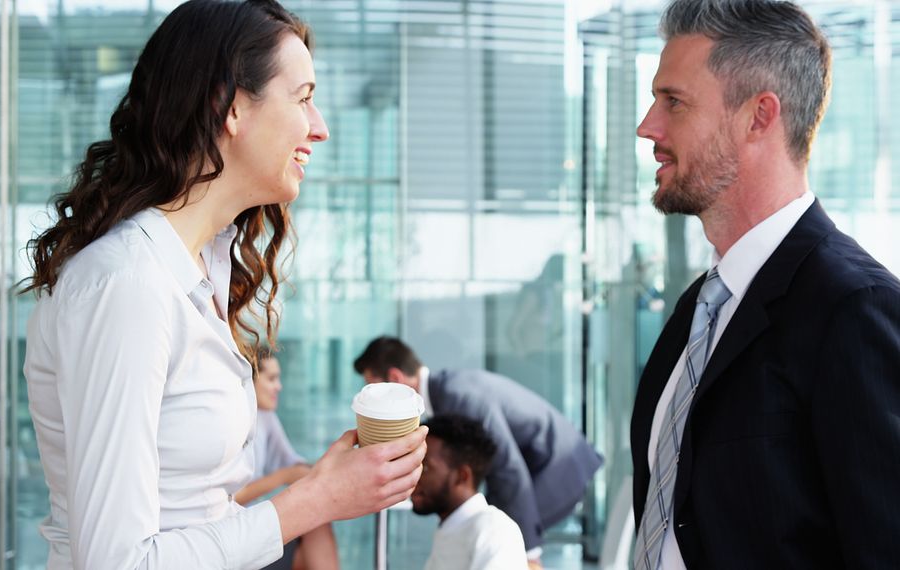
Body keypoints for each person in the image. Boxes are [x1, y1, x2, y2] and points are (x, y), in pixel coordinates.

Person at [21, 2, 426, 569]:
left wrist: (328, 487)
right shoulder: (128, 285)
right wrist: (315, 499)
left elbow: (197, 518)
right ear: (230, 106)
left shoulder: (201, 271)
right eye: (304, 96)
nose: (321, 127)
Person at [631, 1, 900, 568]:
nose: (647, 126)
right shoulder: (697, 308)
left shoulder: (855, 308)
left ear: (758, 115)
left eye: (673, 102)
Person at [354, 336, 603, 561]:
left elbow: (508, 469)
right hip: (543, 463)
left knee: (500, 536)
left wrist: (529, 553)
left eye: (376, 391)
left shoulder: (458, 397)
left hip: (557, 467)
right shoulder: (447, 391)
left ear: (396, 378)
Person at [235, 348, 339, 570]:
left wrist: (336, 466)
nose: (279, 386)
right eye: (272, 379)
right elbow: (233, 498)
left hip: (254, 529)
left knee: (317, 523)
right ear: (249, 379)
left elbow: (293, 465)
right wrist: (285, 476)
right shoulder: (233, 424)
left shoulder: (266, 417)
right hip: (234, 535)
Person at [412, 414, 528, 570]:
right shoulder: (451, 528)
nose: (414, 477)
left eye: (425, 468)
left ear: (462, 476)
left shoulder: (494, 530)